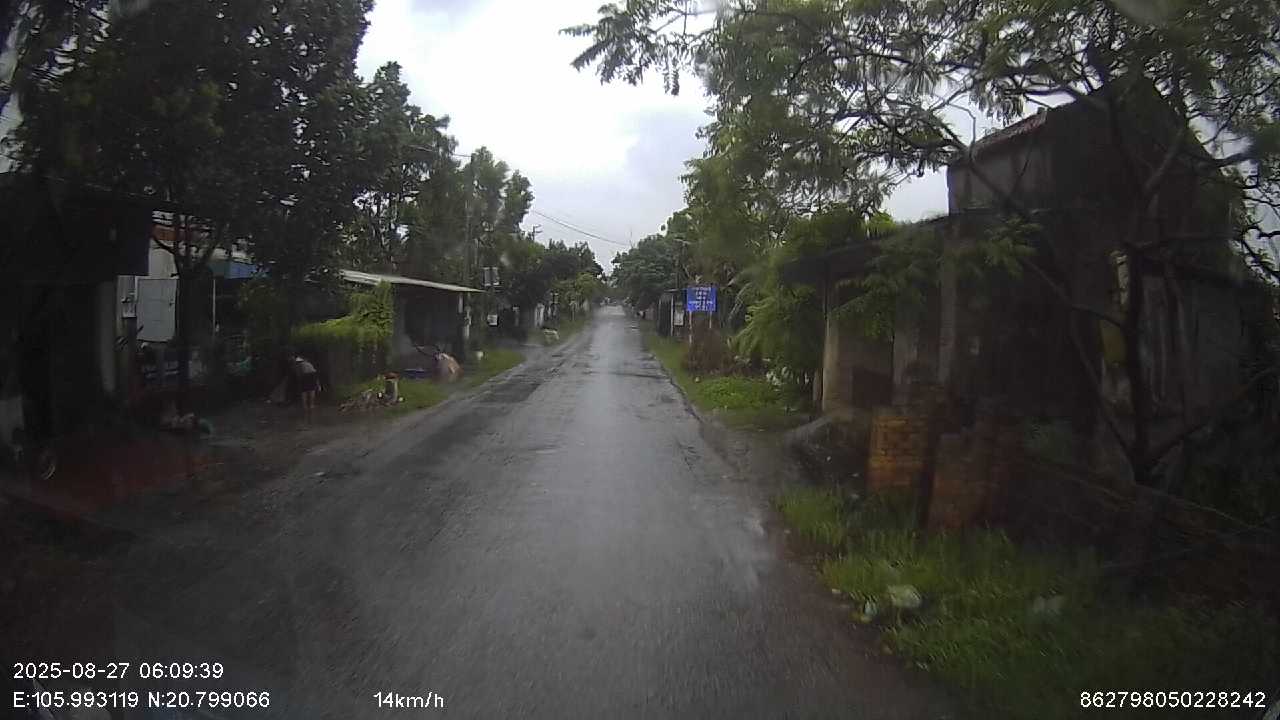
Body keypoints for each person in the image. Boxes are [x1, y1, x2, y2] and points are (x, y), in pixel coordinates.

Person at [293, 354, 321, 422]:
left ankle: (306, 409)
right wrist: (318, 385)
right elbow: (315, 375)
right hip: (311, 376)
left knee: (304, 394)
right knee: (311, 394)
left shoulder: (299, 365)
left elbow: (298, 375)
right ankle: (310, 407)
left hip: (306, 377)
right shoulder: (308, 364)